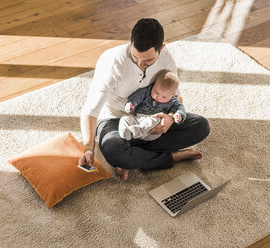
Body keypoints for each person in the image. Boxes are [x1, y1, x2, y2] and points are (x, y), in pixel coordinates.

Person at [79, 18, 210, 181]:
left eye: (148, 60)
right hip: (116, 121)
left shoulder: (166, 57)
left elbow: (176, 96)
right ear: (131, 42)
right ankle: (171, 157)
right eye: (135, 57)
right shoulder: (111, 62)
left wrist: (169, 118)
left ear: (161, 48)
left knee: (201, 126)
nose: (140, 64)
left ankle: (134, 155)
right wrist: (88, 149)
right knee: (115, 152)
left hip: (152, 119)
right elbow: (90, 111)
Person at [118, 69, 186, 141]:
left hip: (152, 130)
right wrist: (131, 103)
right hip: (138, 118)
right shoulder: (147, 91)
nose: (158, 97)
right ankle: (125, 131)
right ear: (154, 85)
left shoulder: (173, 101)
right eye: (156, 92)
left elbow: (180, 107)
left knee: (156, 119)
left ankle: (137, 132)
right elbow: (137, 96)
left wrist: (179, 114)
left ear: (172, 94)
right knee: (125, 117)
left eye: (163, 97)